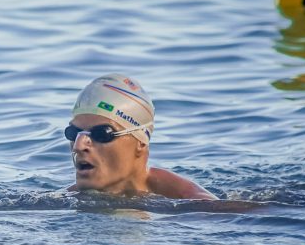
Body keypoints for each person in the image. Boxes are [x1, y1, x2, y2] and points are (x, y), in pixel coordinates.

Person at [65, 74, 217, 199]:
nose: (79, 146)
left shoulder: (196, 205)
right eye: (73, 133)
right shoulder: (59, 201)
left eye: (102, 134)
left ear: (141, 142)